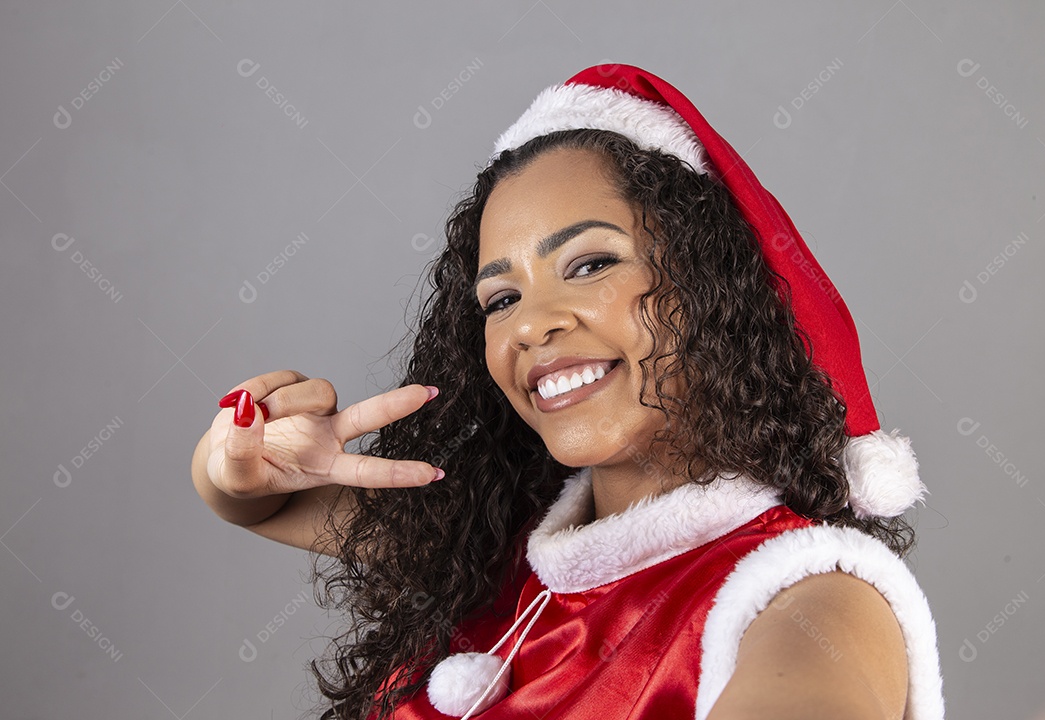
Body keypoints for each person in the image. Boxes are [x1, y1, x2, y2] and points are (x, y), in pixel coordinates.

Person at [192, 64, 945, 720]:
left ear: (709, 284)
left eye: (588, 265)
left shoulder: (809, 597)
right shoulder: (501, 546)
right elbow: (262, 498)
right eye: (500, 301)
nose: (531, 327)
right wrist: (237, 462)